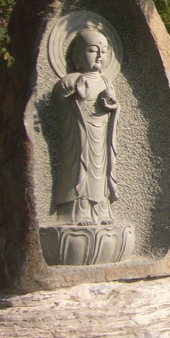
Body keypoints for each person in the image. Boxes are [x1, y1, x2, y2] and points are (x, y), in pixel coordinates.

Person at [52, 27, 119, 226]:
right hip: (78, 137)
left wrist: (114, 108)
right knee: (80, 169)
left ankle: (102, 209)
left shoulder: (106, 81)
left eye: (104, 51)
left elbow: (113, 107)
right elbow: (60, 108)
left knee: (101, 171)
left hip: (101, 136)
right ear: (77, 54)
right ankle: (78, 212)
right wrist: (76, 100)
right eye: (92, 50)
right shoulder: (70, 81)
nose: (100, 55)